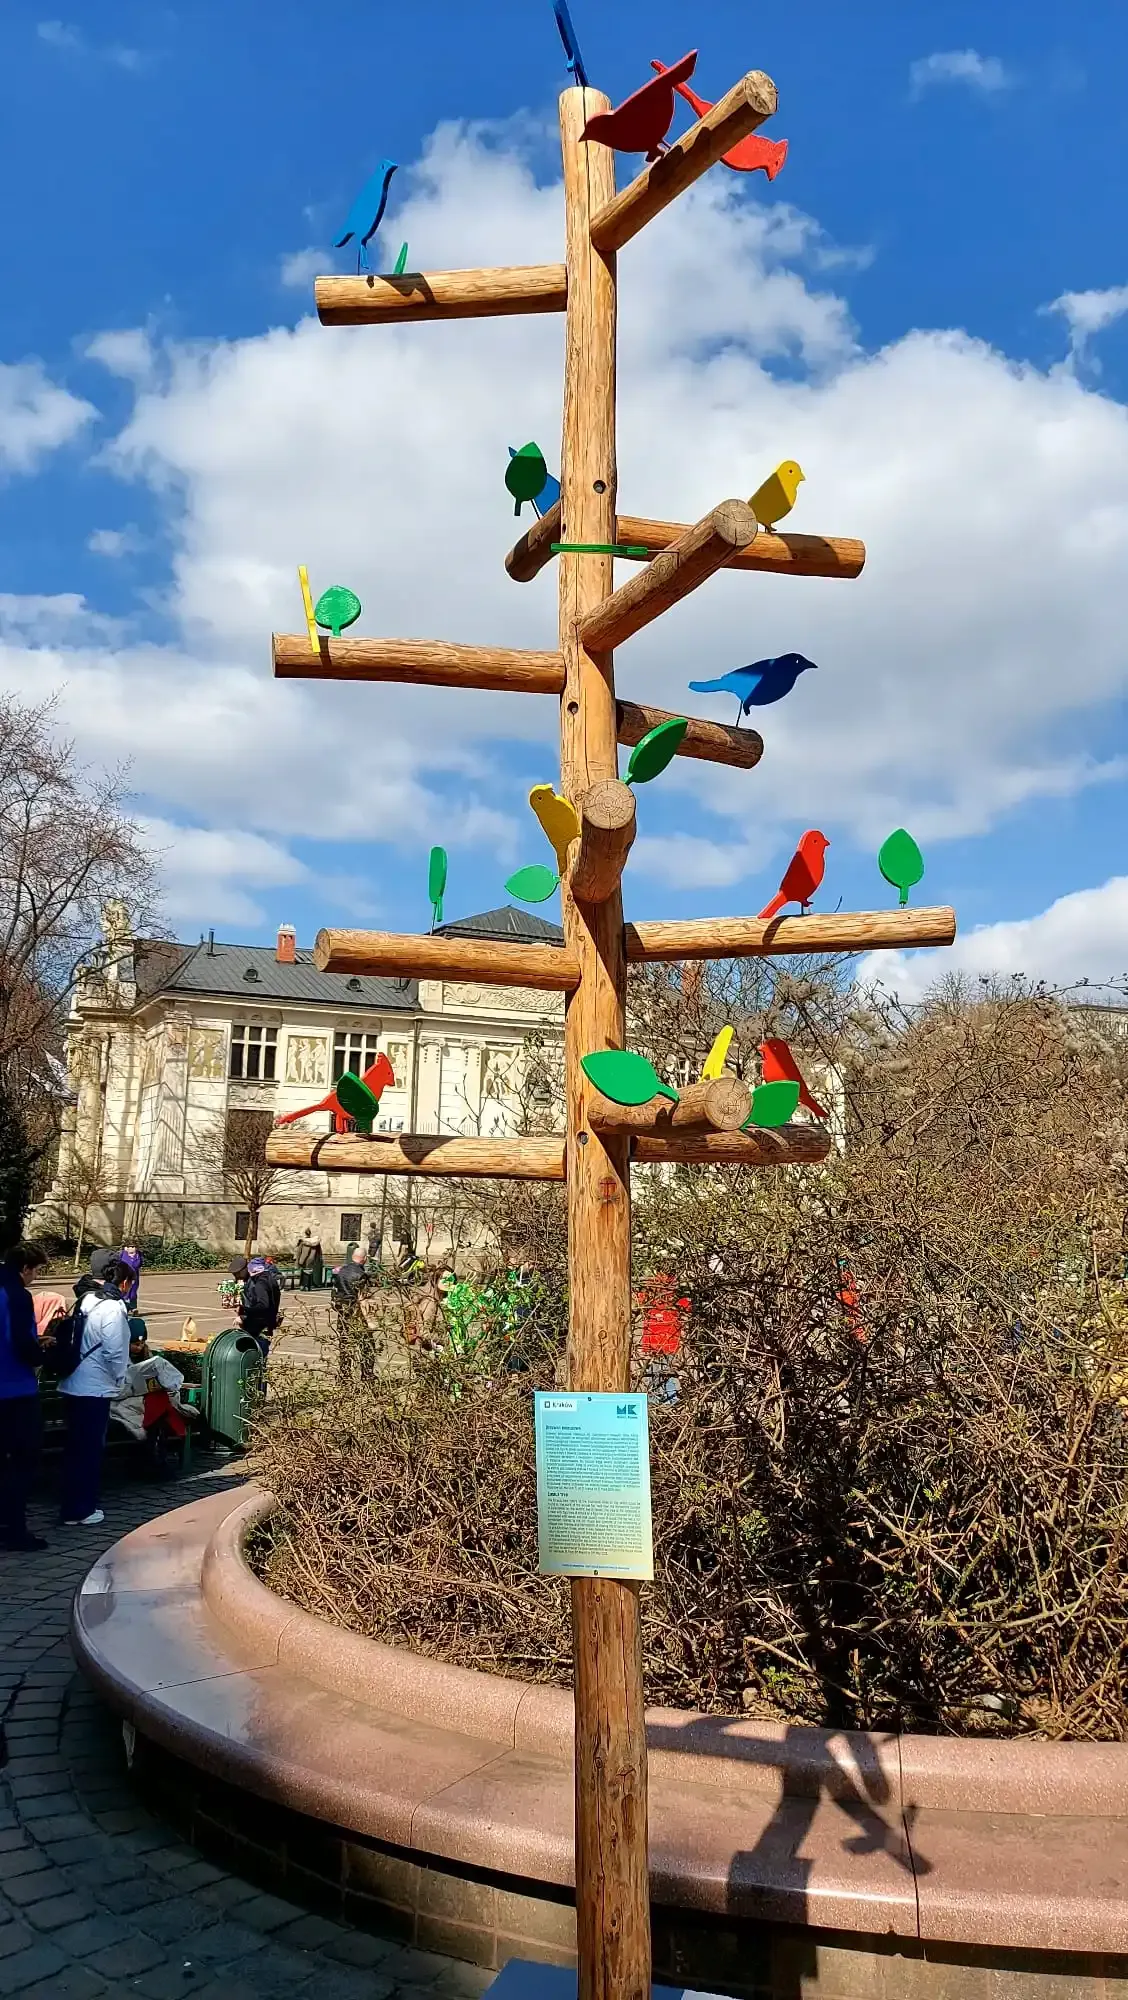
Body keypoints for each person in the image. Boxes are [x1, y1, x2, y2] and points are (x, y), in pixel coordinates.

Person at [58, 1258, 132, 1527]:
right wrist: (120, 1378)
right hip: (95, 1387)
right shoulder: (112, 1307)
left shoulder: (84, 1300)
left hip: (72, 1382)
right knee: (89, 1451)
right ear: (124, 1283)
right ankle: (81, 1509)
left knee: (75, 1449)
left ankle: (71, 1505)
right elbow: (115, 1351)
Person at [0, 1241, 49, 1551]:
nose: (35, 1277)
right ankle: (14, 1529)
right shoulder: (18, 1295)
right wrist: (41, 1350)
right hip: (14, 1390)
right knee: (22, 1462)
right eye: (36, 1271)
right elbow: (22, 1346)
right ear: (25, 1268)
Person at [238, 1256, 281, 1356]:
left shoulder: (260, 1283)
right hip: (268, 1323)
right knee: (261, 1354)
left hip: (260, 1325)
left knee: (257, 1355)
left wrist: (244, 1312)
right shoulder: (270, 1279)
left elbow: (263, 1305)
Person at [119, 1242, 143, 1313]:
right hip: (124, 1277)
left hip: (134, 1277)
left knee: (133, 1293)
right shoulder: (122, 1254)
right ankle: (123, 1307)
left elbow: (138, 1264)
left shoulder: (138, 1255)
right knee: (124, 1292)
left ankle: (133, 1307)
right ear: (126, 1248)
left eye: (134, 1247)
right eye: (130, 1247)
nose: (132, 1248)